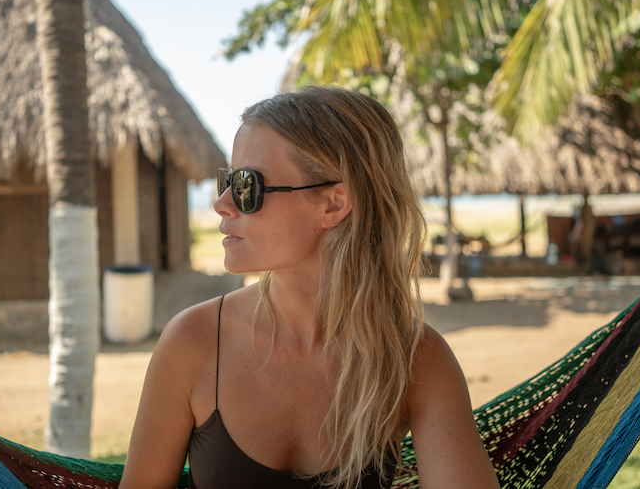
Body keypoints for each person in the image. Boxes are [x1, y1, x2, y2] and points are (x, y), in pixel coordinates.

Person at [119, 85, 500, 489]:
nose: (223, 203)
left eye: (248, 185)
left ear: (333, 204)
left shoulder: (414, 359)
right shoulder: (193, 343)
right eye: (225, 181)